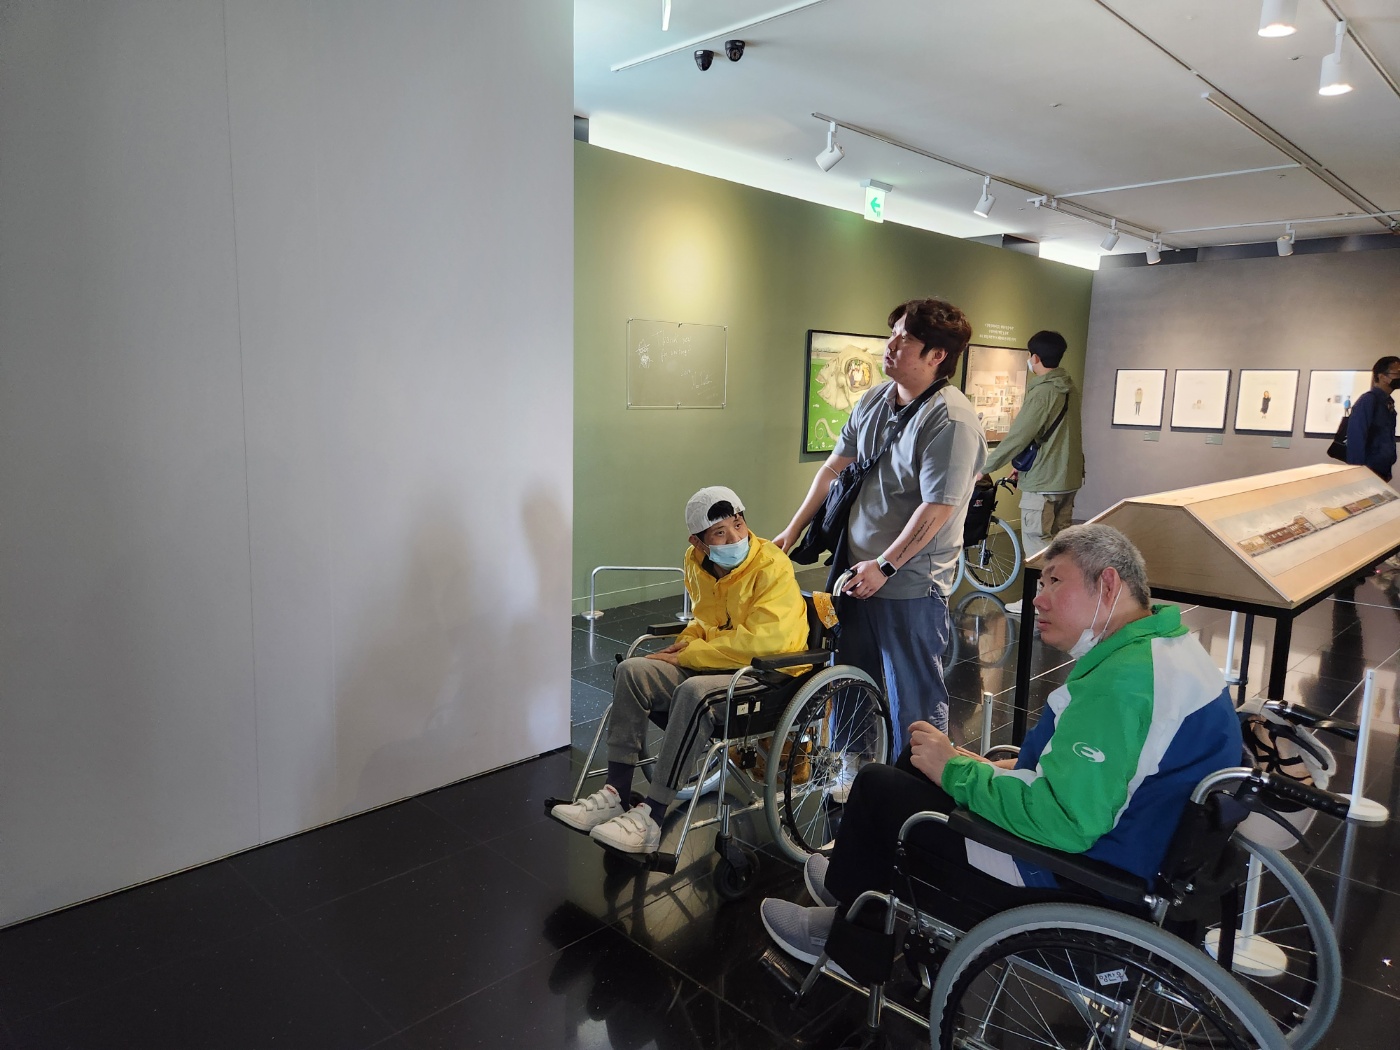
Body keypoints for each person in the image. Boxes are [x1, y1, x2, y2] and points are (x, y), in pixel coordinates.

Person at [760, 524, 1242, 965]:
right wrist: (998, 769)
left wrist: (958, 771)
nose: (1039, 599)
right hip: (1124, 852)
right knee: (916, 757)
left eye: (1055, 581)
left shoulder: (1123, 684)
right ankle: (853, 887)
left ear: (1109, 585)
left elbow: (1067, 822)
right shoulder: (1167, 650)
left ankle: (848, 940)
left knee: (877, 787)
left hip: (1069, 879)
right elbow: (1124, 773)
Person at [775, 298, 987, 749]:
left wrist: (885, 566)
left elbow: (937, 508)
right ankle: (849, 770)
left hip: (909, 583)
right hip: (854, 572)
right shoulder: (875, 399)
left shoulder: (951, 420)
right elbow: (833, 469)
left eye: (905, 339)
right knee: (847, 678)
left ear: (937, 355)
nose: (890, 345)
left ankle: (914, 779)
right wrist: (793, 530)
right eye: (892, 334)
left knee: (911, 695)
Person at [551, 486, 808, 854]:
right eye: (720, 532)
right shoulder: (695, 562)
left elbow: (768, 642)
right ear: (698, 542)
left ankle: (652, 817)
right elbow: (704, 619)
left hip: (768, 674)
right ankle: (616, 793)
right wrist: (684, 643)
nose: (735, 537)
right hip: (718, 663)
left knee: (693, 692)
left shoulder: (771, 565)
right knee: (633, 672)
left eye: (738, 524)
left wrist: (692, 655)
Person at [978, 331, 1085, 614]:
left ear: (1034, 358)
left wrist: (984, 468)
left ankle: (1040, 601)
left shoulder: (1043, 391)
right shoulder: (1068, 387)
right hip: (1067, 477)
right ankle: (1063, 598)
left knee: (1038, 544)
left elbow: (1018, 436)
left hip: (1044, 480)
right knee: (1060, 543)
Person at [1346, 356, 1400, 482]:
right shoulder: (1368, 400)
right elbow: (1356, 436)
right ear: (1382, 377)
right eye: (1397, 373)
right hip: (1368, 470)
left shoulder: (1387, 402)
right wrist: (1357, 472)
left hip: (1381, 470)